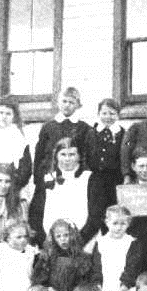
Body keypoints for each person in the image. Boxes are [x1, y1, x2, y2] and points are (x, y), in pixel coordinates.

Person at [31, 87, 92, 232]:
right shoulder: (48, 126)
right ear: (58, 103)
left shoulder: (84, 128)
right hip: (50, 177)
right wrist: (38, 177)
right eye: (64, 101)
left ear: (78, 105)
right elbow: (39, 154)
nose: (67, 105)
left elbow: (86, 155)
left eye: (71, 102)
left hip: (73, 178)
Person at [40, 137, 102, 246]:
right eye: (63, 154)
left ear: (79, 156)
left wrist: (79, 242)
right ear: (56, 156)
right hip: (52, 243)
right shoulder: (47, 178)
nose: (67, 159)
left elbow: (95, 216)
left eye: (72, 155)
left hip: (85, 241)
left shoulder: (90, 178)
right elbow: (36, 213)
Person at [32, 219, 101, 291]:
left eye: (66, 235)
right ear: (53, 238)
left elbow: (86, 281)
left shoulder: (83, 257)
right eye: (58, 236)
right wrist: (49, 290)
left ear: (72, 236)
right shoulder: (47, 257)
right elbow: (38, 281)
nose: (63, 239)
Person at [92, 206, 145, 291]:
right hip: (103, 288)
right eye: (115, 223)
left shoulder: (133, 243)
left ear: (129, 224)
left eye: (123, 224)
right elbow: (96, 269)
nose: (118, 227)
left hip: (126, 289)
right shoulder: (100, 243)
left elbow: (132, 270)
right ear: (107, 222)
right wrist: (99, 290)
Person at [85, 98, 125, 218]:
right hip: (96, 179)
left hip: (116, 179)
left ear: (118, 115)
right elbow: (85, 154)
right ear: (98, 114)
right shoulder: (91, 133)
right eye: (104, 113)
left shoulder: (122, 134)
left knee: (114, 212)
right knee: (96, 213)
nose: (108, 117)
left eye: (112, 113)